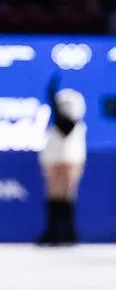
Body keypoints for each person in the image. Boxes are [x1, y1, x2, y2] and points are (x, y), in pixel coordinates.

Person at [36, 75, 87, 246]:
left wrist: (51, 95)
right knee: (54, 195)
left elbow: (63, 123)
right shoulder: (56, 128)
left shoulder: (71, 127)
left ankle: (67, 232)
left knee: (66, 195)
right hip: (54, 159)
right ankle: (55, 231)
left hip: (68, 160)